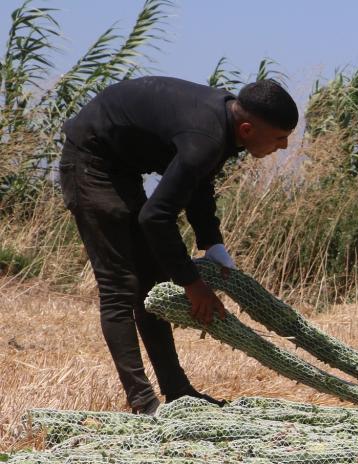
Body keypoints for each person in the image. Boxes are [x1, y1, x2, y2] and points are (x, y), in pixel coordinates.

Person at [58, 76, 298, 414]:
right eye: (279, 137)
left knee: (152, 285)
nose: (285, 146)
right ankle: (144, 403)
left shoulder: (225, 122)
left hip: (122, 168)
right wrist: (191, 283)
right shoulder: (208, 136)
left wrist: (213, 245)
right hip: (91, 162)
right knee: (120, 289)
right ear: (247, 129)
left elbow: (199, 184)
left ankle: (178, 392)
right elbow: (155, 217)